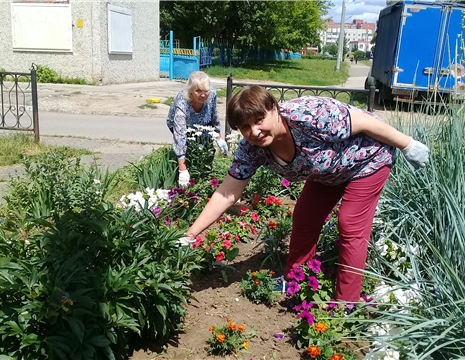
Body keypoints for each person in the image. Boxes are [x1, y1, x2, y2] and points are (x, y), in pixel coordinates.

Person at [179, 86, 430, 302]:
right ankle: (296, 280)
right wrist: (190, 234)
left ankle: (348, 304)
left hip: (367, 161)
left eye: (259, 120)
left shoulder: (308, 115)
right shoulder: (251, 150)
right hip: (328, 173)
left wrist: (408, 144)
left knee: (350, 222)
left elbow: (364, 121)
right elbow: (226, 194)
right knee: (305, 217)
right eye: (245, 127)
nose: (254, 131)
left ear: (275, 110)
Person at [166, 71, 228, 187]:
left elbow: (214, 115)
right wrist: (182, 170)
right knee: (187, 147)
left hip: (203, 124)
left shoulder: (212, 94)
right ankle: (187, 171)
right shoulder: (182, 101)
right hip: (184, 126)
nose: (203, 95)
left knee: (206, 150)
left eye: (205, 91)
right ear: (190, 92)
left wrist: (218, 136)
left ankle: (204, 177)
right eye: (198, 91)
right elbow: (180, 134)